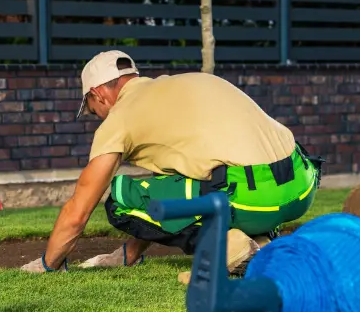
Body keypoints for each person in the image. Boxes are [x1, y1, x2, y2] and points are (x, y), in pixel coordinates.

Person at [21, 50, 323, 281]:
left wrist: (48, 264)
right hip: (299, 184)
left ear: (98, 94)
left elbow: (79, 208)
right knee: (184, 186)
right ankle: (261, 242)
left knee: (121, 198)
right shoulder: (187, 84)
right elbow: (166, 190)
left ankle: (224, 245)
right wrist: (128, 254)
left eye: (91, 108)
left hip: (250, 195)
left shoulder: (121, 118)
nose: (96, 115)